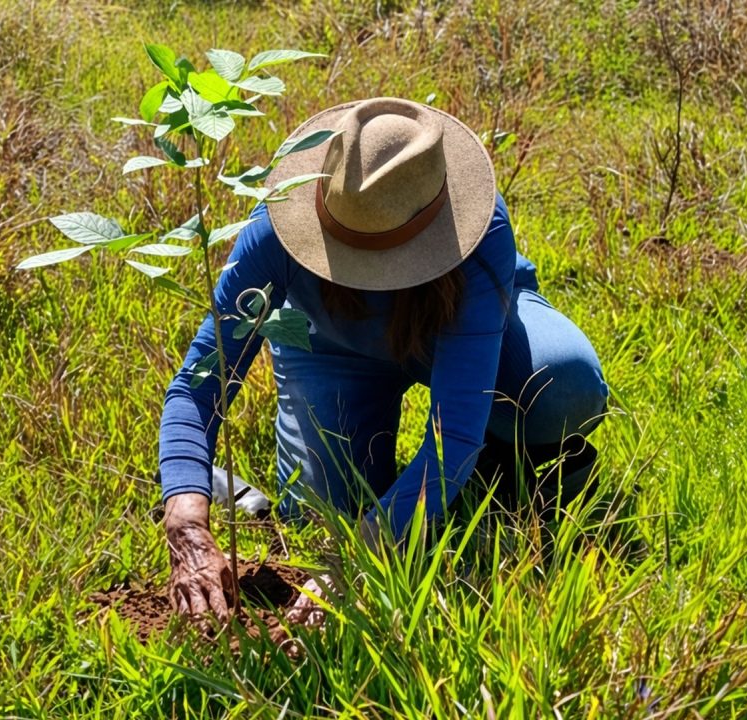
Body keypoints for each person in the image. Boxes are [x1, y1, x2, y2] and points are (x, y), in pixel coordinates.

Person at [158, 97, 609, 621]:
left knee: (561, 386)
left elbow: (451, 436)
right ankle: (439, 490)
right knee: (320, 516)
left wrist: (355, 564)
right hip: (333, 351)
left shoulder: (479, 236)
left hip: (457, 337)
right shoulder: (276, 226)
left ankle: (510, 466)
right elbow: (199, 385)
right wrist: (186, 522)